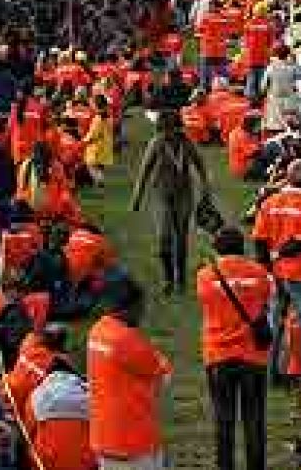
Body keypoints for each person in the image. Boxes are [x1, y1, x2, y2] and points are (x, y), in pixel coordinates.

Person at [196, 225, 272, 470]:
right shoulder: (260, 273)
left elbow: (206, 303)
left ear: (217, 248)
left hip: (218, 354)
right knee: (254, 419)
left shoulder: (205, 275)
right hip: (253, 356)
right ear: (242, 247)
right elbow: (265, 302)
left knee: (223, 419)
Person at [253, 159, 301, 384]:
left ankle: (270, 374)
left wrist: (268, 268)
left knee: (274, 323)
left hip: (276, 273)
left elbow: (259, 239)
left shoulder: (270, 203)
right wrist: (280, 255)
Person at [86, 281, 171, 470]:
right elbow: (161, 372)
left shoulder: (97, 330)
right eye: (140, 307)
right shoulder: (126, 339)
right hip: (133, 442)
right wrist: (160, 360)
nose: (142, 313)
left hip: (103, 437)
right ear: (129, 307)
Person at [130, 110, 211, 295]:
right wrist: (137, 197)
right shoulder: (156, 143)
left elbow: (200, 165)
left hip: (184, 195)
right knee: (164, 236)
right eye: (163, 130)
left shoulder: (186, 143)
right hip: (162, 195)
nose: (166, 134)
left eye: (170, 130)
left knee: (181, 237)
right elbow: (144, 171)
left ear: (177, 128)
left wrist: (205, 188)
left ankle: (180, 278)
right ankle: (168, 278)